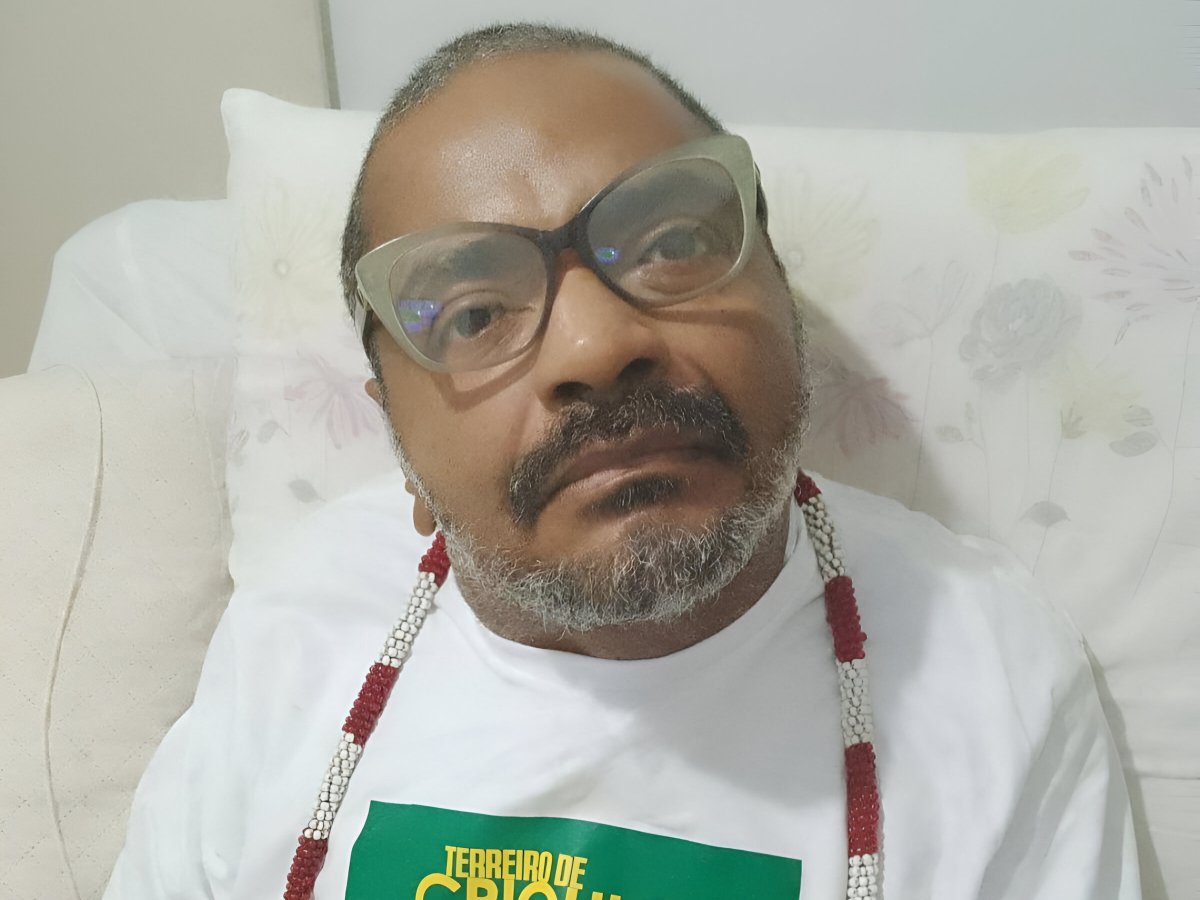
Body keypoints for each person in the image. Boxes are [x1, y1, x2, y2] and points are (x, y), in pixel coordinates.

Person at [104, 23, 1142, 900]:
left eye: (670, 243)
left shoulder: (987, 674)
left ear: (781, 297)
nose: (597, 347)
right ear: (400, 447)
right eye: (474, 312)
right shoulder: (293, 640)